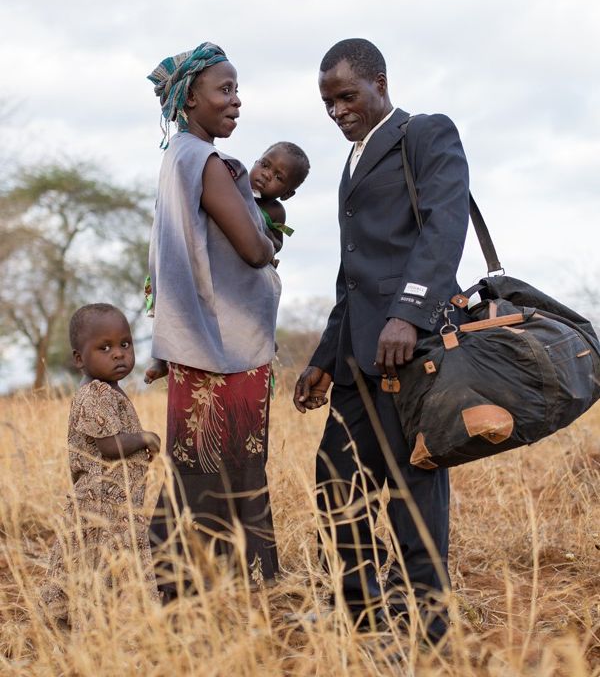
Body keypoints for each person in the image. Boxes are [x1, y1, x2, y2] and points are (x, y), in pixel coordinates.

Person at [293, 38, 470, 641]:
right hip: (355, 361)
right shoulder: (351, 161)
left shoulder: (426, 134)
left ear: (380, 83)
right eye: (327, 103)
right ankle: (366, 615)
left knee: (413, 489)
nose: (338, 110)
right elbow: (353, 273)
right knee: (335, 482)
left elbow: (445, 227)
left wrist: (410, 313)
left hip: (409, 351)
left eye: (347, 95)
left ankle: (432, 627)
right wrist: (323, 358)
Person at [146, 42, 282, 596]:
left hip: (198, 345)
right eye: (224, 90)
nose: (236, 102)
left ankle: (186, 585)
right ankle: (242, 585)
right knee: (234, 467)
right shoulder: (205, 161)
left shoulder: (176, 158)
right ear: (189, 97)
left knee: (196, 465)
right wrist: (271, 238)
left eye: (236, 90)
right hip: (227, 349)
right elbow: (253, 249)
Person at [144, 140, 310, 383]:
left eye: (278, 176)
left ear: (287, 193)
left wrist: (266, 252)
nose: (265, 175)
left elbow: (273, 242)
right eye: (264, 164)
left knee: (261, 300)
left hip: (244, 273)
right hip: (213, 266)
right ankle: (160, 357)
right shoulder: (232, 187)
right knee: (170, 297)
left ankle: (264, 340)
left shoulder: (275, 212)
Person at [41, 303, 161, 626]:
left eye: (125, 344)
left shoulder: (110, 391)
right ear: (79, 359)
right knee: (101, 565)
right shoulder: (95, 393)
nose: (119, 354)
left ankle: (87, 622)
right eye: (104, 348)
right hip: (103, 504)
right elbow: (109, 446)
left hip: (116, 503)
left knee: (94, 565)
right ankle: (92, 626)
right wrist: (144, 438)